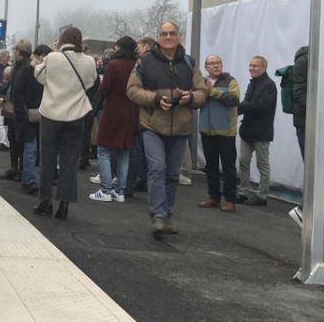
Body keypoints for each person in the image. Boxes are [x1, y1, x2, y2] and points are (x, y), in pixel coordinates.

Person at [127, 21, 207, 237]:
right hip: (152, 125)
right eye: (164, 34)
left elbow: (202, 91)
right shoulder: (144, 62)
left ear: (179, 37)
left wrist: (191, 98)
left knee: (172, 174)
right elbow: (132, 90)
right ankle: (158, 214)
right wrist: (154, 99)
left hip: (181, 127)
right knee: (157, 168)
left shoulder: (189, 63)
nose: (168, 37)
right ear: (158, 37)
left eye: (172, 33)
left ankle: (167, 213)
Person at [32, 27, 97, 221]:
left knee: (48, 159)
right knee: (70, 161)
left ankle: (45, 201)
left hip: (51, 114)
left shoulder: (53, 58)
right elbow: (91, 82)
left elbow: (38, 75)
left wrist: (54, 53)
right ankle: (64, 204)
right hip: (76, 115)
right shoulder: (89, 61)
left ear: (61, 40)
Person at [288, 45, 324, 227]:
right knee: (318, 172)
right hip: (309, 124)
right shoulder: (304, 61)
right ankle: (306, 211)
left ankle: (308, 211)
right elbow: (299, 94)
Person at [89, 37, 137, 203]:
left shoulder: (114, 65)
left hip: (112, 111)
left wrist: (95, 107)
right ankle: (120, 190)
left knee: (104, 150)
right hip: (131, 111)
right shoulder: (137, 65)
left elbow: (104, 89)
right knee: (124, 151)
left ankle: (105, 189)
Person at [197, 54, 241, 212]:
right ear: (206, 67)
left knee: (228, 166)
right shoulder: (201, 82)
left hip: (225, 131)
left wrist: (213, 92)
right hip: (206, 131)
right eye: (212, 63)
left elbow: (234, 100)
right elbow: (197, 102)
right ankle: (213, 197)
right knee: (211, 166)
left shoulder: (231, 81)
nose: (216, 65)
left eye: (218, 63)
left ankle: (230, 200)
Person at [237, 55, 277, 206]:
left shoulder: (269, 85)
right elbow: (248, 104)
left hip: (261, 132)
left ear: (264, 67)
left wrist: (238, 107)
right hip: (247, 130)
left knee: (262, 164)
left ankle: (262, 195)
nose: (251, 68)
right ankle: (243, 192)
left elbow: (262, 107)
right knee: (243, 161)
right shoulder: (251, 84)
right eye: (250, 65)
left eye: (255, 66)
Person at [11, 44, 49, 195]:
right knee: (32, 147)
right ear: (36, 55)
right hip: (29, 114)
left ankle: (30, 178)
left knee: (36, 148)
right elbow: (17, 92)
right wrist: (22, 111)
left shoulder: (43, 71)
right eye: (43, 56)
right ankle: (29, 180)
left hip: (42, 114)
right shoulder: (28, 70)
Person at [0, 41, 34, 182]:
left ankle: (19, 169)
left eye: (15, 49)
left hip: (19, 110)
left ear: (19, 51)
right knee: (13, 138)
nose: (14, 51)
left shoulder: (25, 68)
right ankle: (15, 167)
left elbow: (21, 90)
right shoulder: (19, 66)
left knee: (19, 140)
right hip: (14, 108)